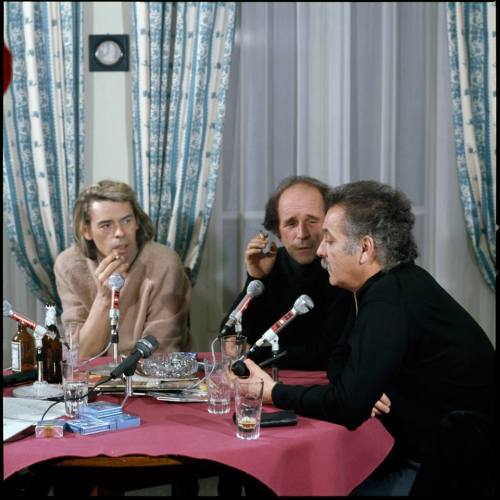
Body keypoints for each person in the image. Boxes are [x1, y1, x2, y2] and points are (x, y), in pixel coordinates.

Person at [241, 180, 495, 496]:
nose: (320, 249)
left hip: (456, 471)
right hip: (426, 449)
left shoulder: (390, 300)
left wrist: (272, 392)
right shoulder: (384, 285)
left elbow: (347, 406)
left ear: (365, 249)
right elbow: (338, 363)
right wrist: (367, 388)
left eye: (329, 240)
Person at [221, 176, 352, 369]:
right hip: (265, 379)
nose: (302, 234)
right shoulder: (269, 263)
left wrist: (253, 354)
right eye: (291, 223)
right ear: (277, 229)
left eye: (312, 220)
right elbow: (230, 337)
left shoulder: (343, 270)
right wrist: (256, 277)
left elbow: (327, 352)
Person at [54, 180, 192, 360]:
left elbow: (162, 353)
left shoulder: (164, 262)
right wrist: (104, 298)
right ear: (86, 230)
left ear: (136, 223)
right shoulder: (68, 265)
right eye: (106, 225)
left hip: (149, 378)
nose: (119, 232)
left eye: (126, 220)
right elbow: (78, 355)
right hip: (92, 378)